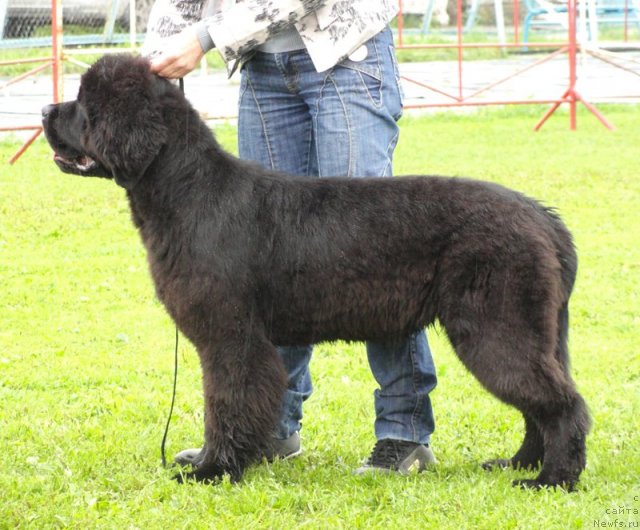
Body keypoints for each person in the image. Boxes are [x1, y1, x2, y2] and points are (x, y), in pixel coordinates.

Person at [143, 0, 438, 474]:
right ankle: (267, 428)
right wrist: (153, 60)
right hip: (262, 66)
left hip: (345, 52)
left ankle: (403, 432)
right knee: (268, 261)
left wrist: (203, 38)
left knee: (373, 251)